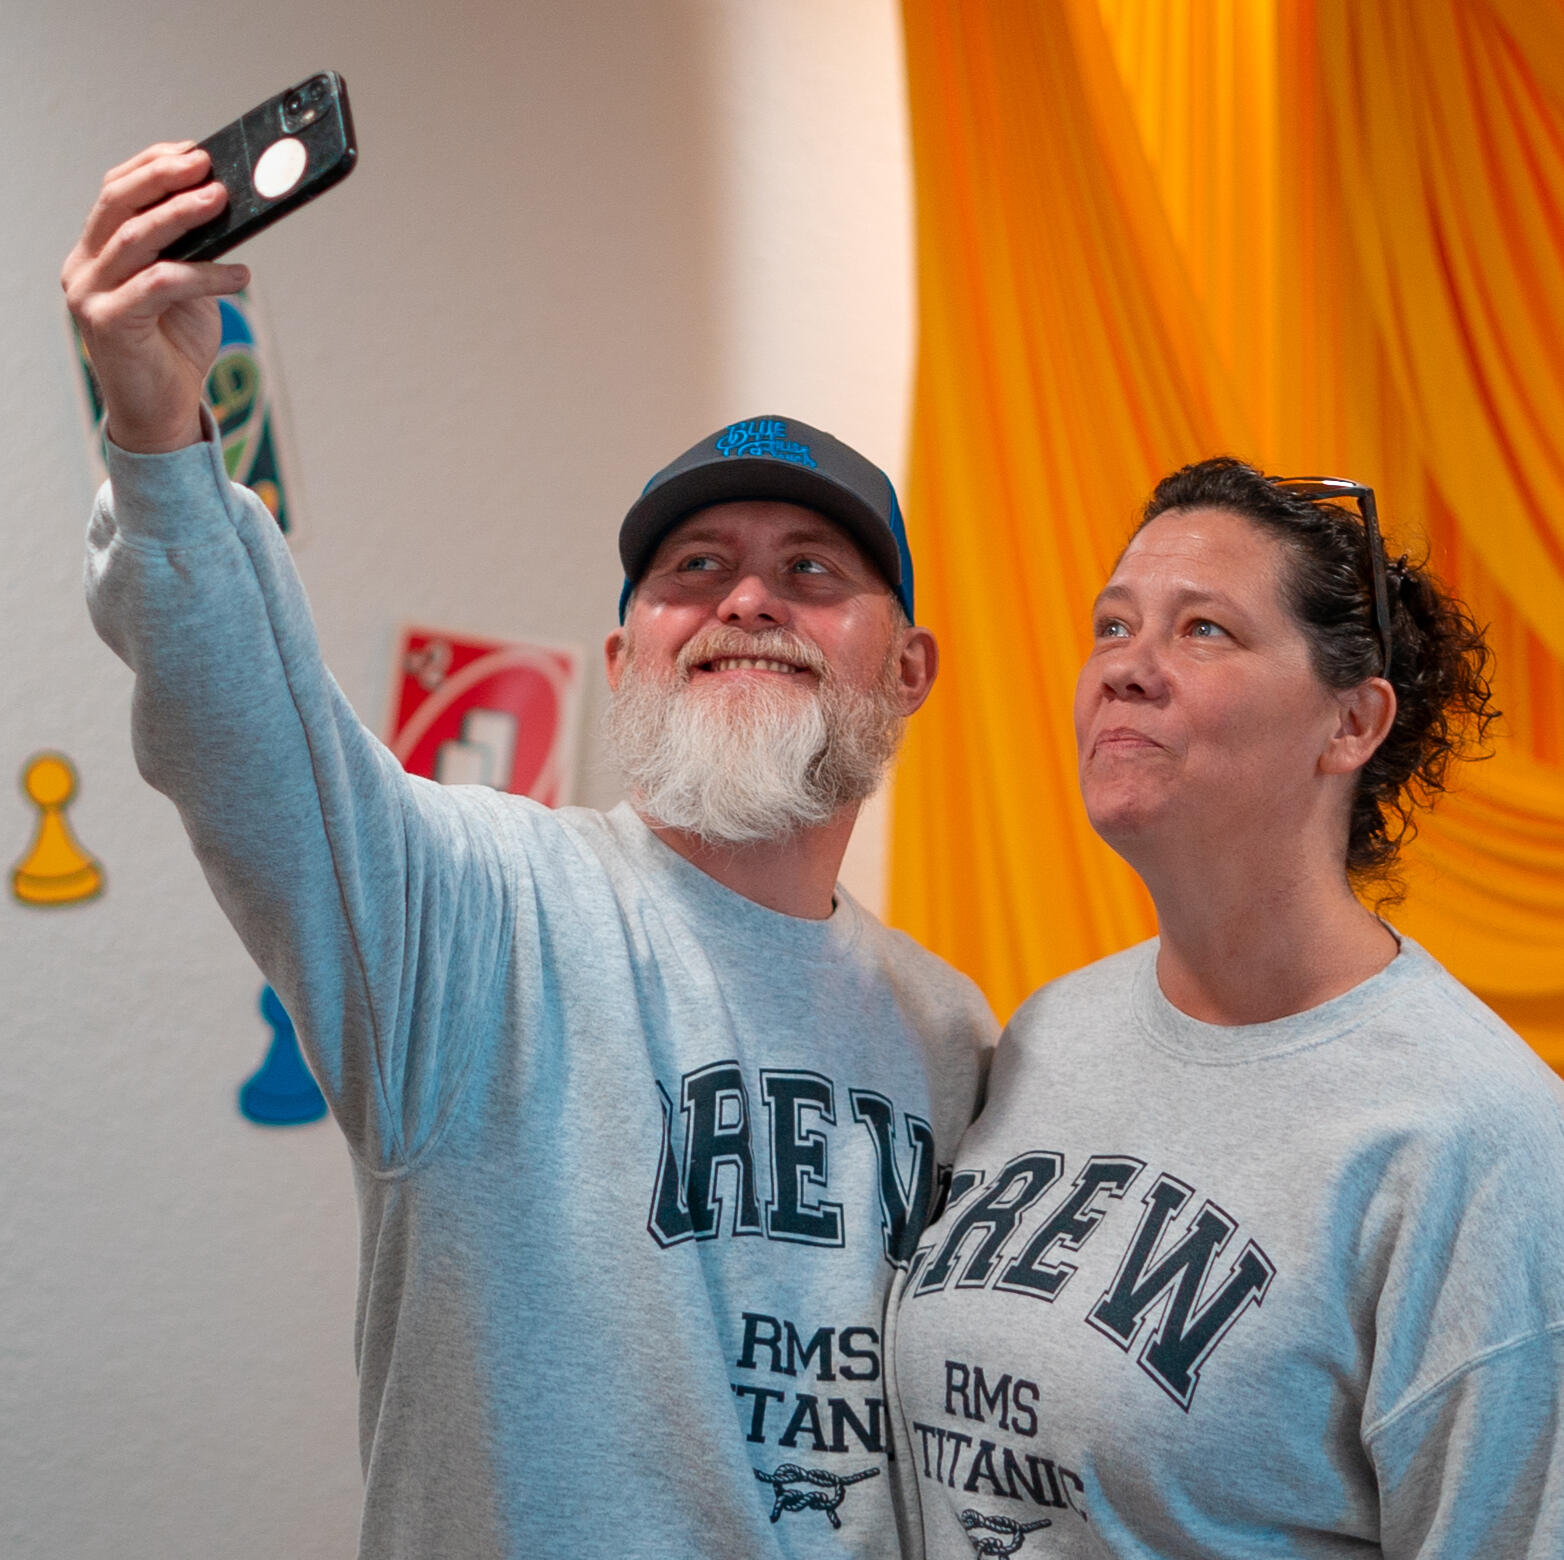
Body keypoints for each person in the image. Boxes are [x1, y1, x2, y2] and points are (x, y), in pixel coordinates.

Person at [65, 143, 995, 1560]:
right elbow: (242, 725)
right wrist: (157, 437)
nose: (749, 598)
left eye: (812, 569)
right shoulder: (476, 913)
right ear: (626, 659)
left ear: (909, 668)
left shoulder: (952, 1034)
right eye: (695, 568)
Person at [888, 456, 1564, 1558]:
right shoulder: (1050, 1033)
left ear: (1351, 723)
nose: (1127, 668)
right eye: (1113, 626)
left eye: (1204, 629)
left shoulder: (1478, 1139)